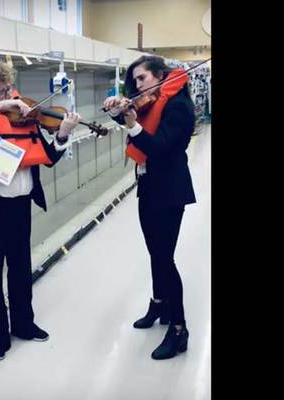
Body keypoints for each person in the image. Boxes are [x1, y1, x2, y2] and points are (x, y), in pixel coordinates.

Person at [0, 63, 80, 361]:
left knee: (21, 266)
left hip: (20, 205)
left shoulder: (26, 119)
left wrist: (62, 135)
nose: (8, 95)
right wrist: (1, 104)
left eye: (8, 89)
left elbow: (47, 158)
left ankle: (23, 323)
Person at [103, 55, 196, 360]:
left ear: (159, 76)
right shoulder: (149, 103)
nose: (137, 87)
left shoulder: (178, 106)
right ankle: (159, 304)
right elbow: (132, 118)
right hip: (149, 187)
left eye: (141, 79)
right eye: (134, 82)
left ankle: (180, 329)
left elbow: (161, 148)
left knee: (164, 257)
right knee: (155, 251)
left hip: (169, 190)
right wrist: (118, 110)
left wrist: (130, 125)